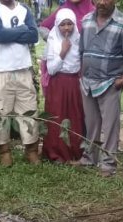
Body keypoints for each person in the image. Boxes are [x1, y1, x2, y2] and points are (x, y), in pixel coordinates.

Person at [75, 0, 123, 177]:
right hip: (87, 82)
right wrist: (82, 73)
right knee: (91, 123)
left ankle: (108, 165)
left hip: (110, 82)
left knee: (110, 126)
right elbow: (82, 50)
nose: (102, 3)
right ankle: (89, 159)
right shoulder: (86, 20)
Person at [0, 0, 40, 166]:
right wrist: (22, 29)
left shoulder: (24, 9)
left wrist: (9, 33)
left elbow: (34, 35)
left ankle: (31, 151)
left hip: (22, 69)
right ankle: (5, 152)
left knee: (29, 110)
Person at [42, 9, 84, 163]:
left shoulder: (78, 40)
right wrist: (63, 52)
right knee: (57, 117)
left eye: (70, 24)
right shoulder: (53, 41)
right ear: (57, 26)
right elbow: (51, 69)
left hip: (73, 84)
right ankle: (56, 153)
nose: (67, 28)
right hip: (57, 84)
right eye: (63, 25)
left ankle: (75, 150)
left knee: (75, 116)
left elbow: (80, 64)